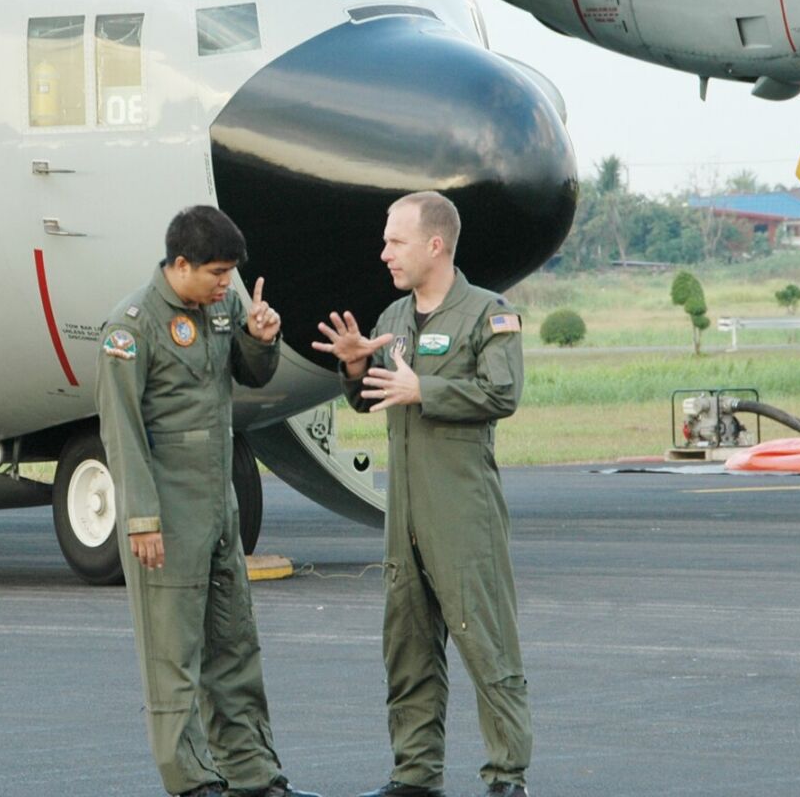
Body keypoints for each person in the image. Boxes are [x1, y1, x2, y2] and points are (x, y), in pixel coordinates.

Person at [312, 191, 533, 797]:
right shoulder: (391, 320)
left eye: (395, 241)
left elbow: (501, 395)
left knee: (486, 644)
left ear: (435, 245)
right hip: (403, 515)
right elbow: (369, 397)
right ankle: (415, 774)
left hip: (463, 512)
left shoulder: (490, 314)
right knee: (407, 650)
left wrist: (425, 391)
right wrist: (356, 369)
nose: (384, 253)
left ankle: (505, 776)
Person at [95, 205, 317, 797]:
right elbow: (122, 433)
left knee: (235, 646)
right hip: (167, 514)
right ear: (181, 264)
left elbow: (252, 372)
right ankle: (191, 780)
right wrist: (140, 519)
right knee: (174, 656)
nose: (227, 284)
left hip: (220, 509)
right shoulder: (131, 327)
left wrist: (260, 337)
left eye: (231, 274)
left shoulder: (223, 308)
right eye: (218, 273)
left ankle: (252, 773)